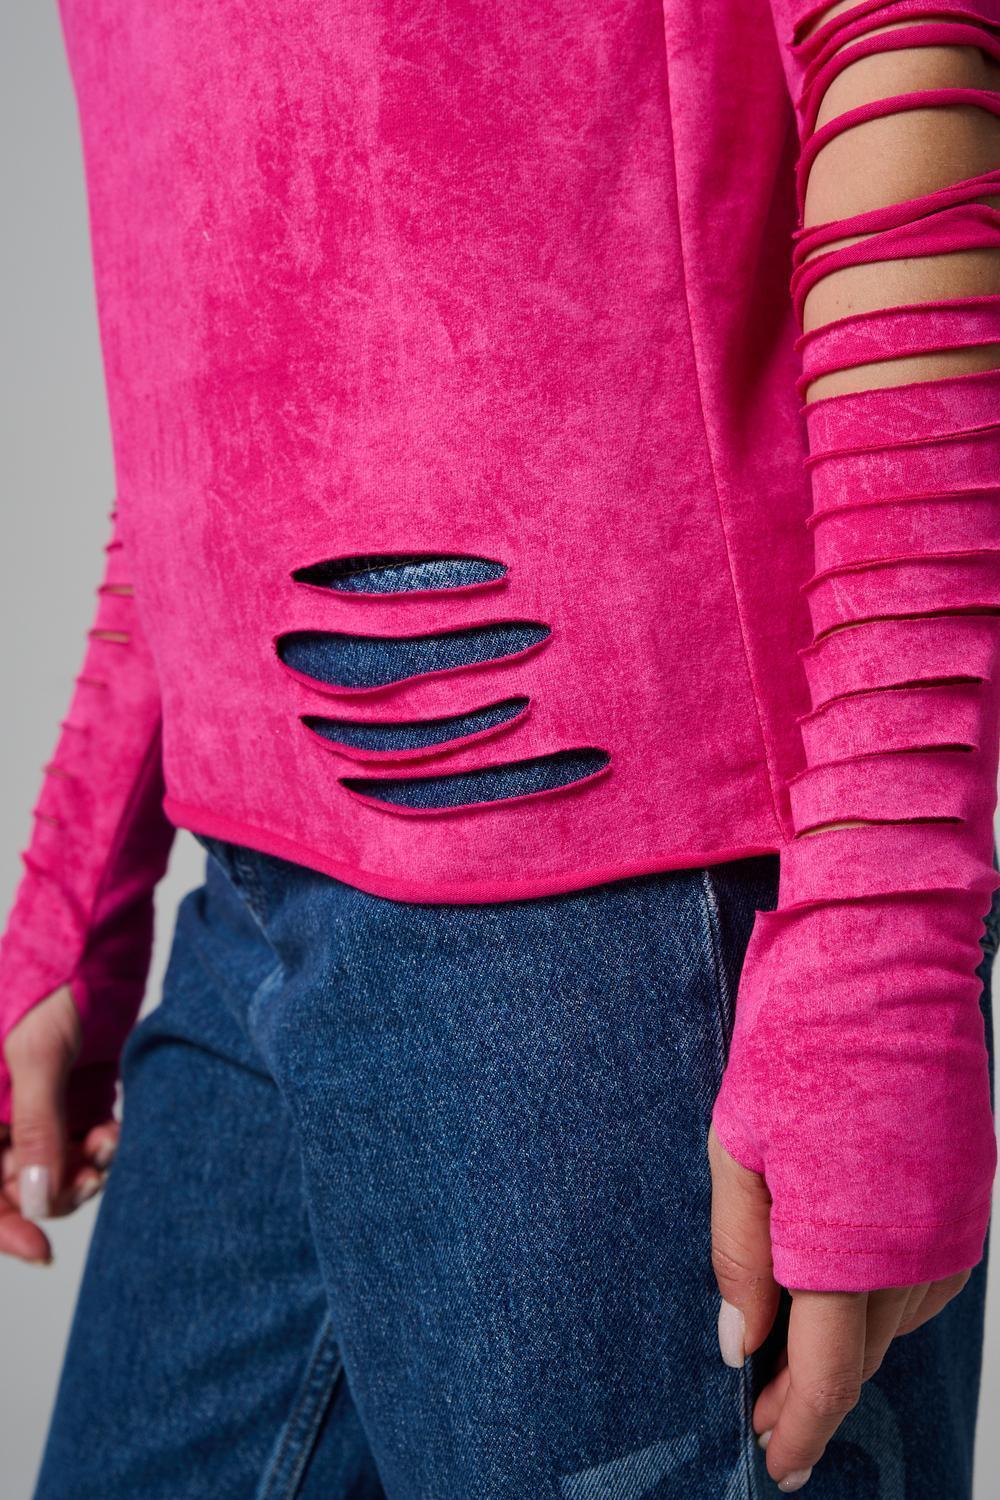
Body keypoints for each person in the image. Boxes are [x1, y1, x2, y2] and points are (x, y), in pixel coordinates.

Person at [1, 0, 998, 1495]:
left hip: (615, 918)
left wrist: (887, 930)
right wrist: (83, 869)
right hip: (252, 889)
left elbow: (903, 44)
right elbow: (242, 277)